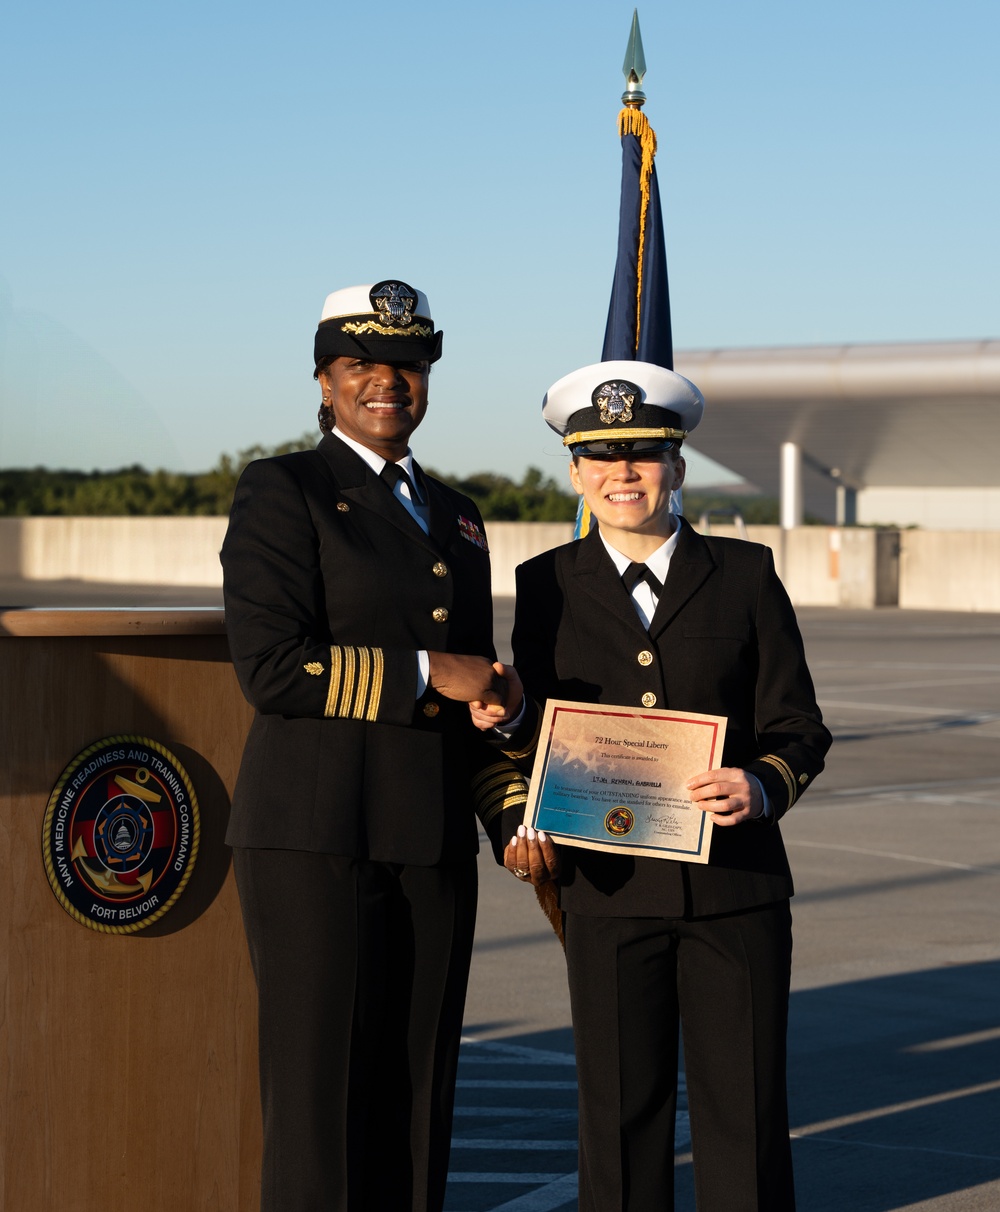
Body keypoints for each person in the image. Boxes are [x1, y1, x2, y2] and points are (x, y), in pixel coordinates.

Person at [473, 360, 832, 1211]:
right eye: (600, 459)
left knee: (741, 1116)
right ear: (574, 472)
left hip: (735, 889)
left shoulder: (744, 575)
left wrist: (763, 784)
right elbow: (540, 733)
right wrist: (517, 779)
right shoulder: (544, 585)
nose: (621, 476)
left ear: (677, 466)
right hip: (606, 889)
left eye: (642, 457)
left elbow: (799, 726)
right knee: (619, 1120)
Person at [221, 280, 524, 1212]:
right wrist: (434, 672)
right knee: (321, 1104)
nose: (388, 382)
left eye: (407, 365)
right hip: (317, 839)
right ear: (324, 379)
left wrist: (510, 780)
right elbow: (274, 669)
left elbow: (472, 684)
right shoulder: (286, 489)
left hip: (430, 838)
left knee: (420, 1090)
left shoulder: (459, 514)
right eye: (362, 364)